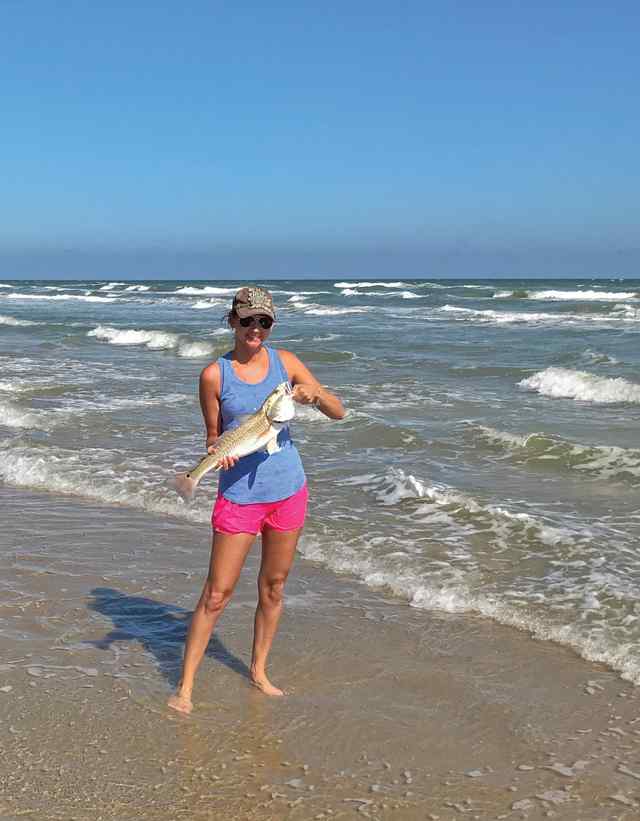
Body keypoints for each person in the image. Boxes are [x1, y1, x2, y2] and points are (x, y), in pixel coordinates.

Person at [168, 286, 345, 714]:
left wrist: (312, 395)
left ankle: (259, 671)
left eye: (264, 322)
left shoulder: (286, 365)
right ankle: (185, 687)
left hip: (289, 492)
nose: (255, 330)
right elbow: (213, 436)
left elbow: (339, 412)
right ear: (232, 322)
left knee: (274, 587)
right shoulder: (214, 375)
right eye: (247, 321)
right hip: (239, 497)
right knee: (217, 593)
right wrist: (217, 451)